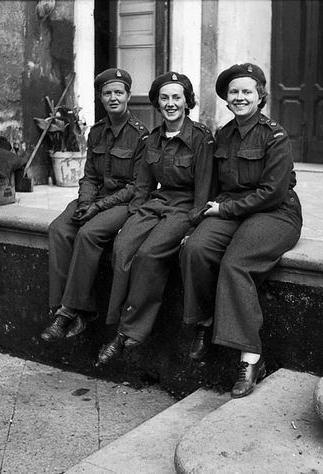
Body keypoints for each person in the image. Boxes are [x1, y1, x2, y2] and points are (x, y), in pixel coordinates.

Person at [180, 63, 302, 398]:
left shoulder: (275, 135)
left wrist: (225, 209)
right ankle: (205, 323)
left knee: (236, 263)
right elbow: (217, 184)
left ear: (260, 96)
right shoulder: (224, 135)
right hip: (232, 209)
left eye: (247, 91)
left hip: (275, 213)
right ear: (226, 98)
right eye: (234, 92)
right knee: (196, 249)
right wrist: (202, 217)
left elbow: (273, 192)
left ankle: (251, 358)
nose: (240, 97)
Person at [96, 71, 215, 364]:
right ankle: (116, 319)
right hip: (156, 204)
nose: (170, 104)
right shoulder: (151, 138)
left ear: (187, 102)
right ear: (156, 103)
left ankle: (128, 334)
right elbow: (143, 187)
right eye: (164, 98)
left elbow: (204, 190)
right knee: (123, 246)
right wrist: (133, 219)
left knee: (149, 254)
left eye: (177, 97)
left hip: (185, 207)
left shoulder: (201, 138)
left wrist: (195, 224)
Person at [41, 68, 148, 342]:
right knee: (59, 228)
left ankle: (69, 313)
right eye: (107, 93)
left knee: (89, 234)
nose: (113, 98)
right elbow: (89, 175)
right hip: (95, 197)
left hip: (124, 201)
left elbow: (136, 187)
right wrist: (86, 202)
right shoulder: (97, 132)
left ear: (127, 96)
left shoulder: (140, 135)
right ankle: (66, 309)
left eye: (119, 93)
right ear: (101, 97)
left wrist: (97, 209)